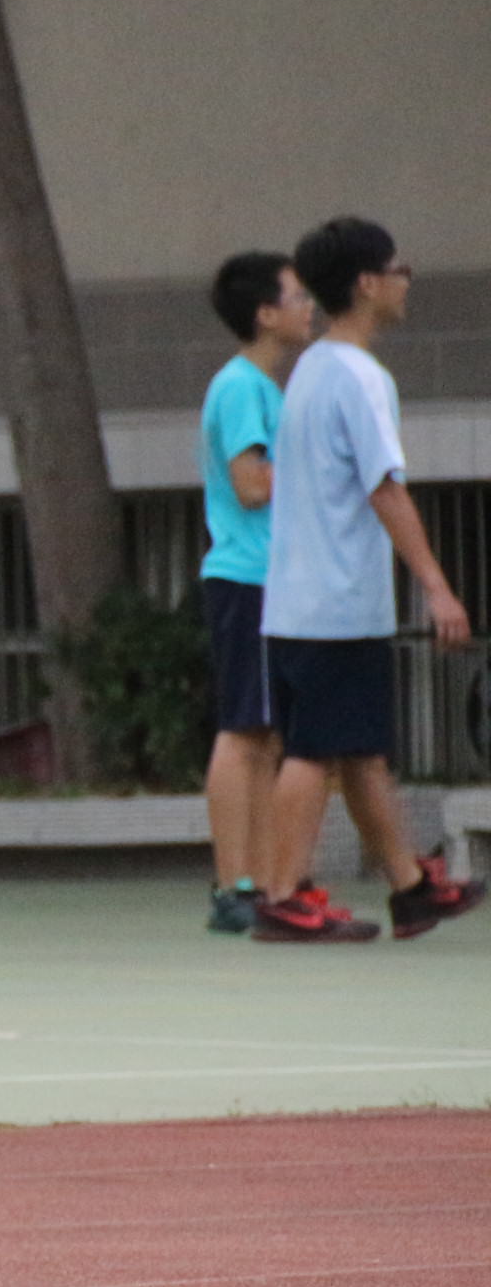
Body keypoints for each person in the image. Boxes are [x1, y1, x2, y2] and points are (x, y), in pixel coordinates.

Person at [252, 216, 480, 943]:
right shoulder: (360, 377)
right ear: (367, 283)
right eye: (397, 266)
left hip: (298, 601)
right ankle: (283, 896)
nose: (406, 279)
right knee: (315, 753)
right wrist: (437, 586)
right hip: (337, 604)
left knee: (359, 753)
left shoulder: (311, 370)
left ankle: (409, 888)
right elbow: (385, 488)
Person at [194, 250, 313, 934]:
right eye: (297, 297)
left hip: (270, 580)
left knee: (265, 737)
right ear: (266, 314)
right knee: (243, 733)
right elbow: (250, 485)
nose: (309, 307)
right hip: (248, 579)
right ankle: (233, 885)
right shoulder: (242, 387)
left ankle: (264, 883)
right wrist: (324, 466)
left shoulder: (265, 388)